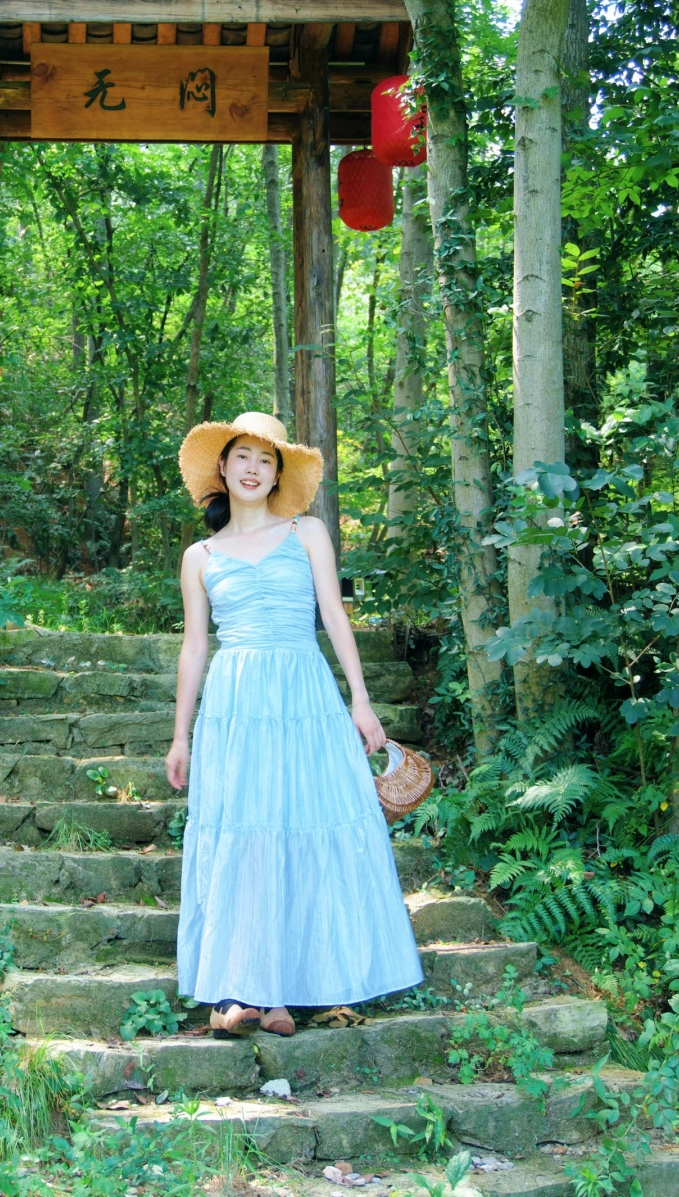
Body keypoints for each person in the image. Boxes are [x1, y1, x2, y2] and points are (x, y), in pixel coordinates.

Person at [168, 412, 423, 1038]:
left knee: (299, 822)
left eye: (266, 459)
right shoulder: (199, 556)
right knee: (245, 832)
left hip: (303, 692)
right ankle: (244, 990)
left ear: (278, 473)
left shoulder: (307, 532)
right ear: (222, 467)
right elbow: (194, 647)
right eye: (243, 456)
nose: (253, 468)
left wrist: (361, 701)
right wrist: (180, 736)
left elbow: (334, 615)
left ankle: (283, 992)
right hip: (235, 703)